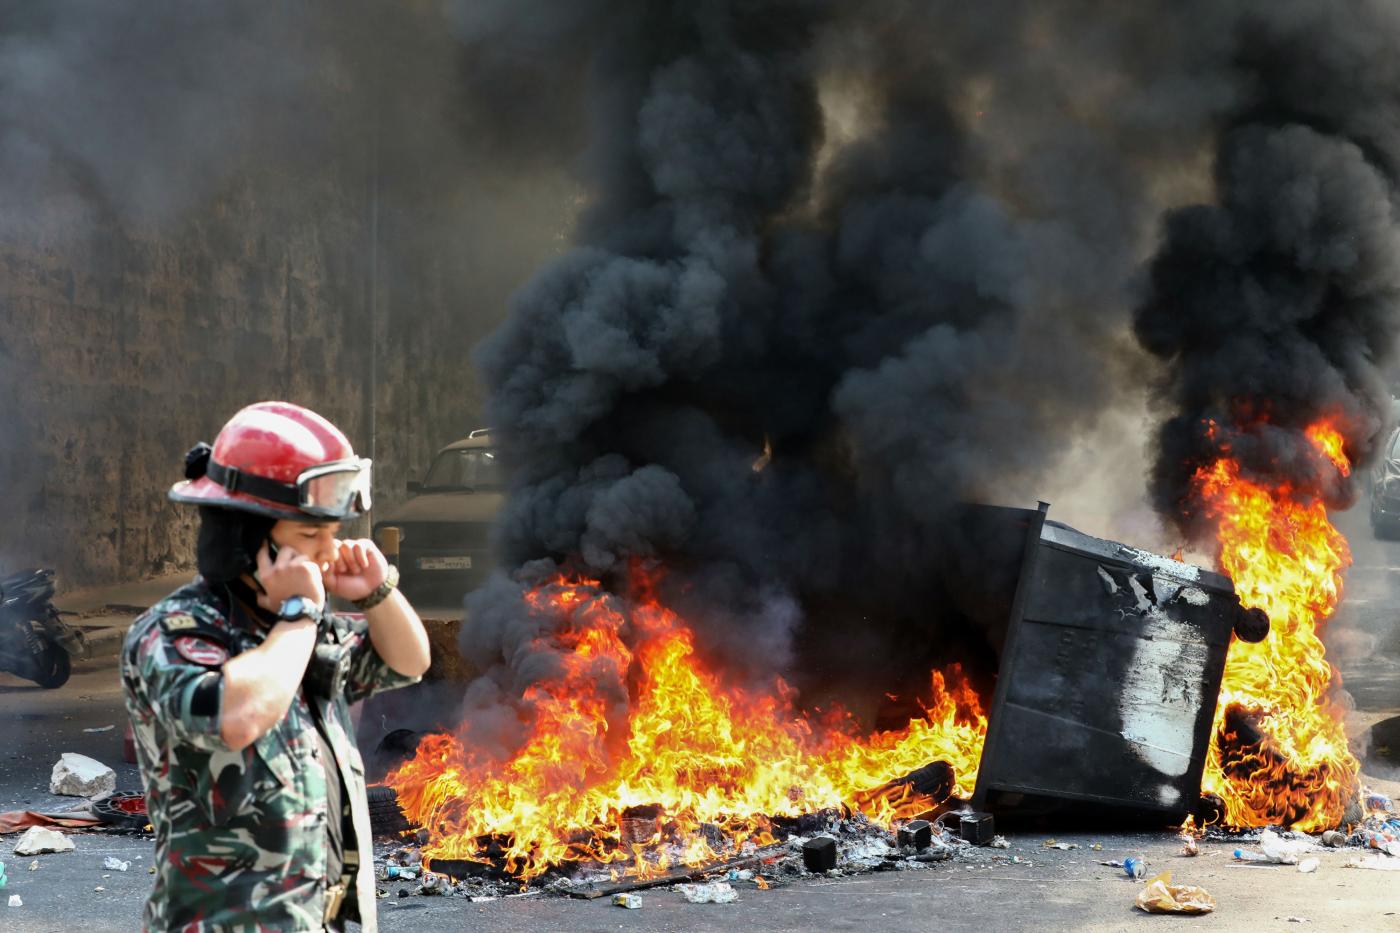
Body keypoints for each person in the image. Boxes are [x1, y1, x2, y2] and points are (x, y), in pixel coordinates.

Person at [121, 401, 431, 932]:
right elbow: (237, 717)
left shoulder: (302, 629)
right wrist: (301, 614)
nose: (329, 552)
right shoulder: (172, 633)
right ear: (244, 542)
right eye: (310, 537)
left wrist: (377, 592)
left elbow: (409, 661)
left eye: (332, 533)